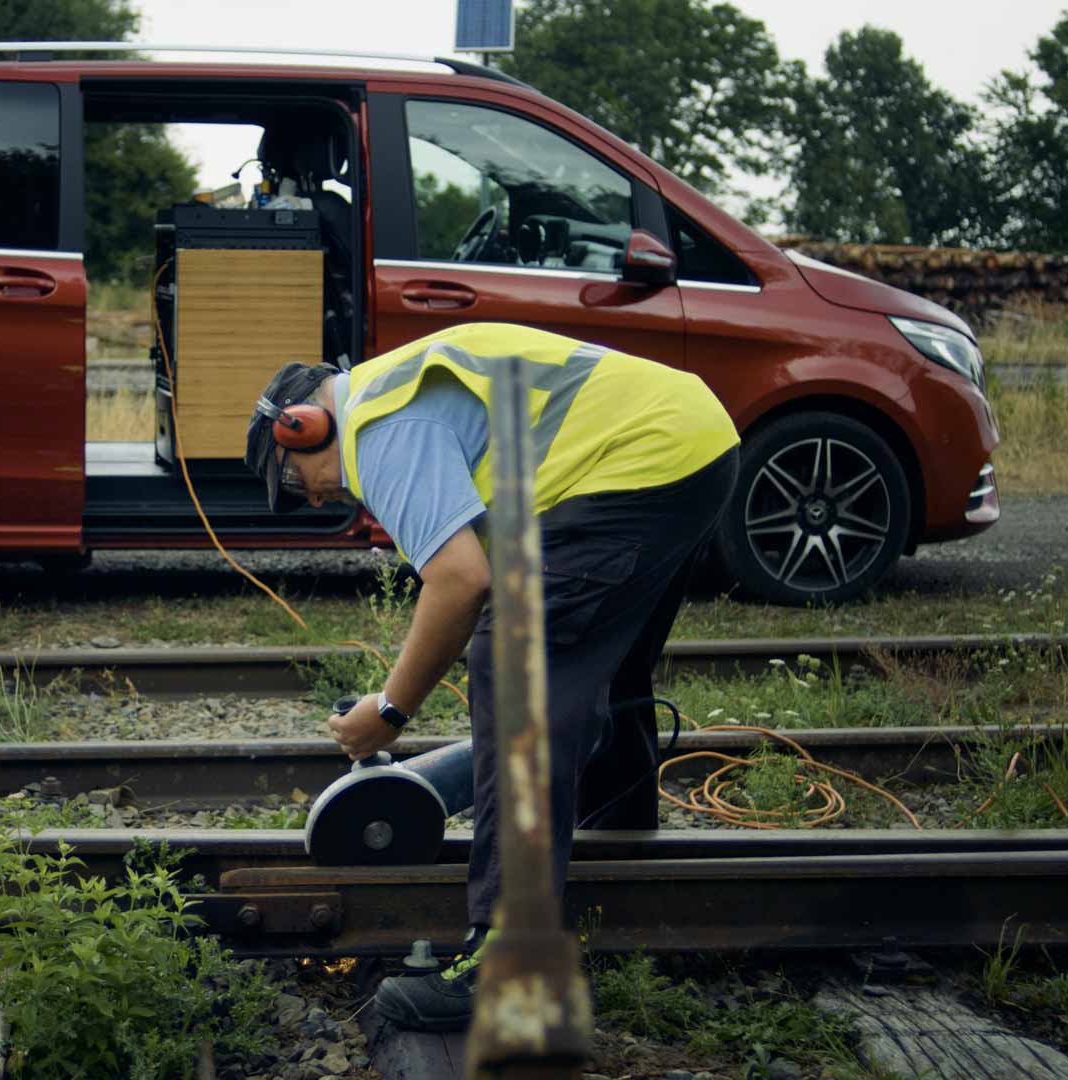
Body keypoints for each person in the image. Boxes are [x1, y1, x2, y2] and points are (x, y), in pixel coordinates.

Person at [243, 321, 740, 1032]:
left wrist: (388, 710)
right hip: (693, 443)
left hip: (641, 458)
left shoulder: (378, 428)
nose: (314, 497)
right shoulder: (397, 394)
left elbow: (458, 582)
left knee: (508, 660)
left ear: (304, 427)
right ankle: (619, 826)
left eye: (295, 481)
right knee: (599, 662)